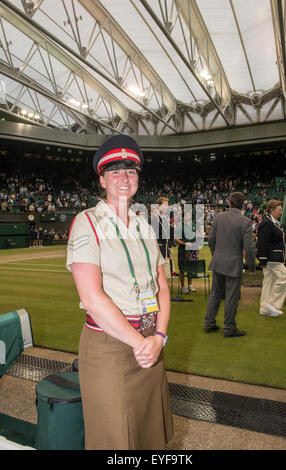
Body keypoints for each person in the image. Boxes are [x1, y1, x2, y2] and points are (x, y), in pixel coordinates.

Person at [67, 135, 173, 450]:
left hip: (151, 343)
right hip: (110, 347)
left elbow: (162, 287)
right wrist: (142, 343)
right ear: (102, 178)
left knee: (149, 432)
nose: (124, 179)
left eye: (130, 171)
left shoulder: (144, 226)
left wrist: (159, 338)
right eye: (115, 171)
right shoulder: (86, 222)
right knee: (114, 437)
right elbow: (91, 298)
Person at [204, 192, 256, 337]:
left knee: (215, 294)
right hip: (233, 264)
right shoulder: (245, 221)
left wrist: (216, 255)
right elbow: (249, 247)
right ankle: (229, 328)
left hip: (218, 262)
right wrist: (251, 266)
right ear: (243, 204)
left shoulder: (219, 218)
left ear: (229, 203)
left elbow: (211, 241)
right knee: (231, 297)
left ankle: (209, 323)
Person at [256, 200, 286, 317]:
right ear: (272, 210)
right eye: (279, 209)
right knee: (285, 279)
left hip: (272, 257)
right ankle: (272, 304)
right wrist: (262, 259)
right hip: (272, 258)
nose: (281, 211)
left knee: (269, 283)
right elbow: (262, 242)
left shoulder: (273, 222)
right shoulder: (267, 223)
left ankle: (264, 308)